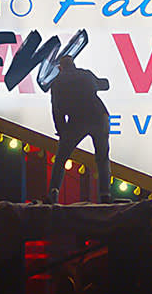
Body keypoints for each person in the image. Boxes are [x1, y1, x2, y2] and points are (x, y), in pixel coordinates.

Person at [46, 52, 112, 202]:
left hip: (76, 121)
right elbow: (104, 85)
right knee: (102, 158)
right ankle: (105, 195)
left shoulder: (57, 83)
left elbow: (56, 110)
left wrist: (62, 131)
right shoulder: (86, 74)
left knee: (61, 159)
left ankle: (53, 193)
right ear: (74, 64)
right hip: (98, 117)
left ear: (60, 68)